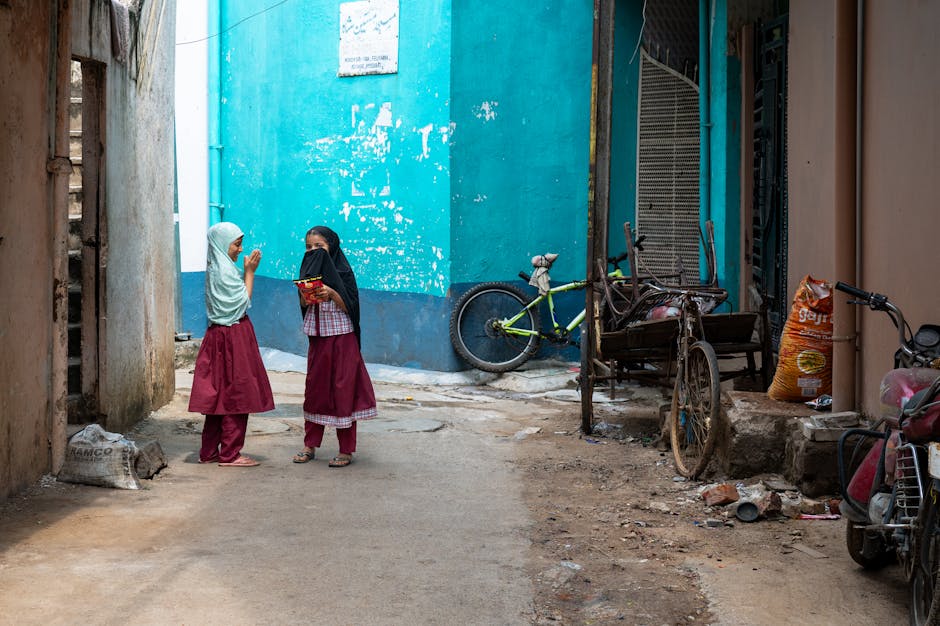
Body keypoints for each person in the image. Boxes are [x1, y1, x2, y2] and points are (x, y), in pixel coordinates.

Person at [188, 222, 274, 467]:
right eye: (236, 244)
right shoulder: (226, 273)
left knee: (219, 396)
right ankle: (230, 453)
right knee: (238, 394)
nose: (240, 249)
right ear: (222, 243)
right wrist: (250, 272)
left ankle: (209, 452)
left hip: (216, 337)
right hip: (235, 336)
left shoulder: (215, 268)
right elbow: (242, 303)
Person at [293, 225, 376, 467]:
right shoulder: (307, 268)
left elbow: (350, 306)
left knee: (344, 390)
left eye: (320, 247)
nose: (313, 251)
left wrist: (331, 292)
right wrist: (308, 294)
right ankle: (310, 444)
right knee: (315, 390)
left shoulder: (343, 272)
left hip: (342, 338)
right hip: (318, 338)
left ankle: (346, 449)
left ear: (332, 247)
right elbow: (302, 303)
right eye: (309, 247)